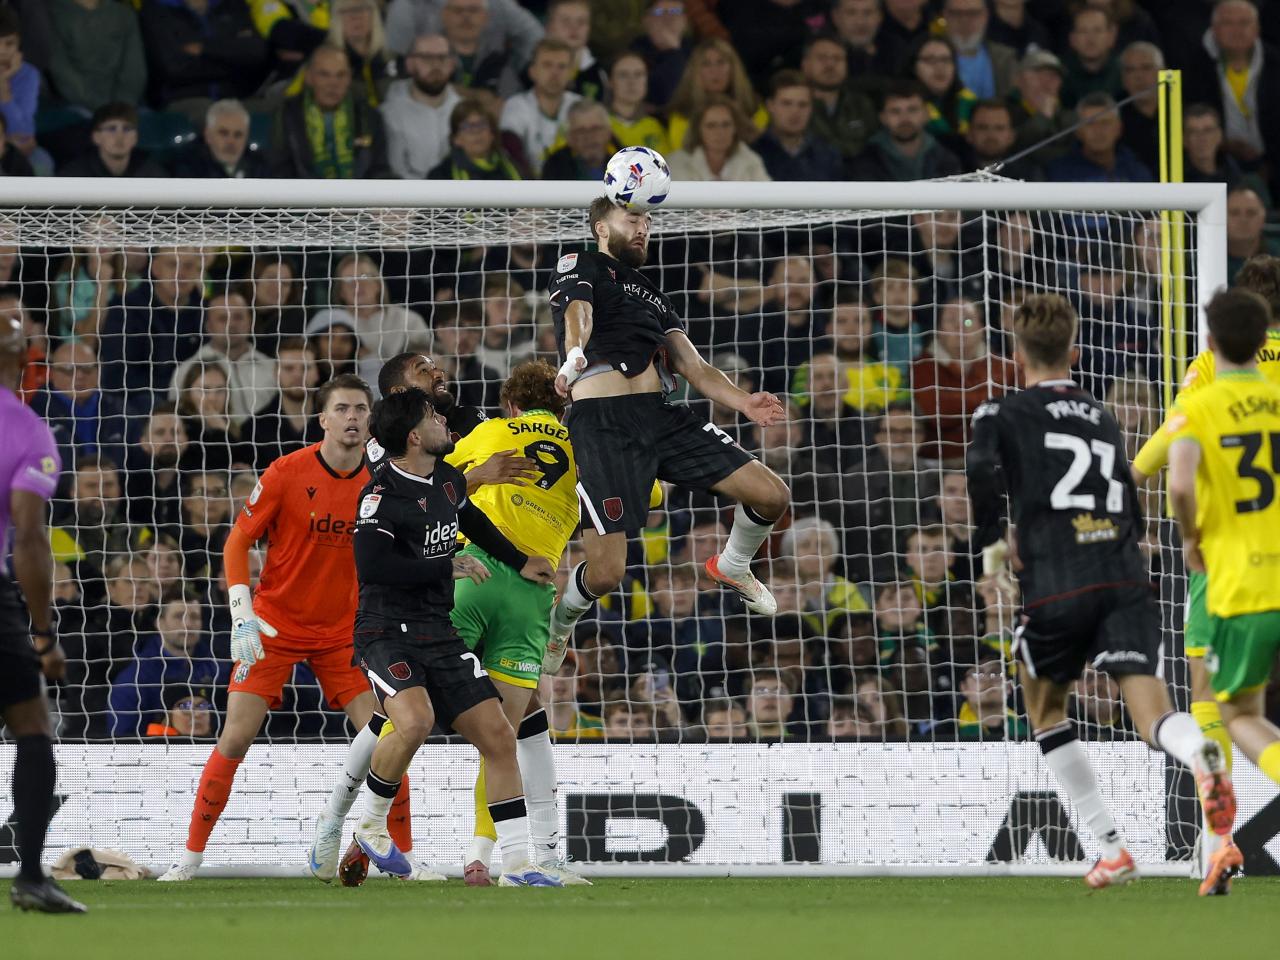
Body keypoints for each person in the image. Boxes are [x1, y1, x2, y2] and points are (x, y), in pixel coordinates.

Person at [965, 292, 1235, 890]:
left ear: (1016, 353)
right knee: (1154, 715)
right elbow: (1130, 494)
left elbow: (982, 473)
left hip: (1057, 579)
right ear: (1075, 350)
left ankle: (1112, 846)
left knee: (1044, 709)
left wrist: (990, 547)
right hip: (1122, 571)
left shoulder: (999, 411)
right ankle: (1202, 757)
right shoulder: (1104, 414)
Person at [156, 375, 434, 881]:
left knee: (393, 735)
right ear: (322, 419)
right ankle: (189, 858)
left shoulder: (386, 479)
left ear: (372, 420)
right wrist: (242, 615)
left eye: (360, 409)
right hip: (275, 626)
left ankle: (403, 860)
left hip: (347, 634)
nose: (352, 417)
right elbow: (237, 544)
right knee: (236, 736)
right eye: (342, 408)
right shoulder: (287, 472)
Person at [546, 196, 790, 667]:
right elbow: (580, 312)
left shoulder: (654, 294)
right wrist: (574, 354)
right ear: (601, 226)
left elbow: (692, 365)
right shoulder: (580, 263)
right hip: (603, 425)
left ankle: (733, 566)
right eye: (633, 218)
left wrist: (743, 401)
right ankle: (561, 622)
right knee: (607, 573)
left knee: (772, 495)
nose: (643, 228)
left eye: (648, 222)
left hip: (661, 415)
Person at [345, 388, 559, 886]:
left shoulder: (445, 479)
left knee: (499, 737)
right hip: (386, 631)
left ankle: (518, 865)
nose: (445, 420)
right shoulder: (380, 495)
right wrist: (447, 566)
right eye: (433, 416)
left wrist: (518, 558)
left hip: (438, 630)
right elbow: (373, 567)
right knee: (414, 722)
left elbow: (471, 518)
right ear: (416, 436)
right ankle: (372, 826)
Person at [1130, 253, 1280, 890]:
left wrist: (1179, 535)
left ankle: (1215, 838)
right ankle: (1223, 846)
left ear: (1214, 335)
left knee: (1222, 704)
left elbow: (1156, 466)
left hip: (1230, 570)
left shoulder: (1203, 380)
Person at [432, 361, 589, 884]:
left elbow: (434, 478)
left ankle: (365, 820)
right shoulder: (581, 442)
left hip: (469, 572)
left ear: (512, 406)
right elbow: (648, 496)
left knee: (408, 700)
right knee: (502, 734)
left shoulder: (495, 431)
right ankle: (489, 855)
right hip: (534, 589)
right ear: (561, 404)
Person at [0, 312, 85, 913]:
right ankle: (30, 875)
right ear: (28, 357)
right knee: (32, 725)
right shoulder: (28, 432)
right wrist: (44, 633)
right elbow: (29, 538)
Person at [271, 44, 392, 179]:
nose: (333, 83)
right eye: (324, 74)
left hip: (359, 197)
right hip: (303, 197)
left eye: (341, 75)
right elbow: (279, 169)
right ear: (309, 77)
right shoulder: (288, 115)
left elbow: (380, 169)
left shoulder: (369, 116)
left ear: (349, 78)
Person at [138, 0, 268, 116]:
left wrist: (204, 49)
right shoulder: (155, 8)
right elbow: (174, 68)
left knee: (276, 113)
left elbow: (256, 52)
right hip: (184, 99)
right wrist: (233, 57)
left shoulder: (233, 4)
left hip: (238, 97)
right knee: (220, 120)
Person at [381, 33, 461, 180]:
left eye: (442, 58)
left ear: (452, 64)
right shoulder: (389, 114)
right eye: (426, 58)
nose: (436, 65)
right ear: (410, 64)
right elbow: (395, 174)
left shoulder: (464, 111)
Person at [848, 80, 963, 181]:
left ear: (926, 114)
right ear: (883, 118)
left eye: (912, 110)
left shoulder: (946, 160)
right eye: (895, 111)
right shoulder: (866, 161)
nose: (905, 118)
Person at [499, 38, 580, 178]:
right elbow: (510, 150)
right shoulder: (516, 106)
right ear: (532, 71)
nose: (555, 73)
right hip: (529, 190)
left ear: (570, 73)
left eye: (562, 67)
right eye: (547, 65)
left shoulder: (580, 106)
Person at [46, 0, 146, 113]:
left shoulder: (123, 14)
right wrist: (101, 107)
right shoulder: (52, 15)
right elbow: (61, 71)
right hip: (77, 104)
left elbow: (134, 68)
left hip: (126, 105)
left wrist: (122, 105)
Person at [753, 69, 844, 182]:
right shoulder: (752, 153)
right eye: (786, 103)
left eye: (803, 105)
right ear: (770, 106)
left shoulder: (828, 155)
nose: (795, 111)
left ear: (811, 108)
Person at [1045, 91, 1151, 183]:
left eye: (1105, 123)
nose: (1098, 131)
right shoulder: (1059, 173)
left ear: (1119, 129)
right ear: (1078, 131)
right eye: (1090, 123)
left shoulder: (1136, 170)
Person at [801, 34, 877, 162]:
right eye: (822, 58)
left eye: (838, 59)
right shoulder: (790, 104)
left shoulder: (862, 104)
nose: (830, 65)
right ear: (805, 64)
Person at [664, 94, 769, 182]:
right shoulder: (676, 163)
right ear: (698, 129)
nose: (720, 132)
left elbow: (768, 201)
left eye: (726, 125)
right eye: (711, 126)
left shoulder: (751, 161)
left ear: (735, 128)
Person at [57, 102, 167, 178]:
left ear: (135, 137)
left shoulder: (151, 174)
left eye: (127, 129)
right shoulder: (74, 176)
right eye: (111, 129)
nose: (120, 136)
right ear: (96, 137)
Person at [170, 99, 271, 179]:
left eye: (238, 134)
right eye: (224, 133)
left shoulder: (261, 167)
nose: (231, 141)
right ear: (208, 135)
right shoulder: (187, 167)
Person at [427, 97, 522, 181]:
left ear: (492, 134)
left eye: (481, 124)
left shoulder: (512, 167)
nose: (476, 132)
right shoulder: (440, 177)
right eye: (467, 126)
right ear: (456, 139)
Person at [939, 0, 1017, 100]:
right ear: (945, 15)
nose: (964, 20)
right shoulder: (927, 55)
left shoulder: (1005, 58)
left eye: (973, 13)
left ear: (986, 15)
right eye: (956, 13)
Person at [606, 52, 669, 154]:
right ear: (610, 81)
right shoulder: (597, 124)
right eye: (623, 75)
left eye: (638, 74)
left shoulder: (657, 126)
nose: (632, 82)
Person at [1060, 6, 1122, 108]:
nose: (1090, 39)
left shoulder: (1125, 73)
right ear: (1072, 39)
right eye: (1083, 31)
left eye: (1097, 31)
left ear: (1111, 36)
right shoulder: (1060, 74)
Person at [544, 0, 606, 101]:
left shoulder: (599, 73)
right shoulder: (531, 65)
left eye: (581, 22)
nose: (574, 28)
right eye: (565, 21)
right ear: (550, 27)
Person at [541, 99, 617, 181]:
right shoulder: (554, 167)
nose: (589, 137)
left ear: (608, 132)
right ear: (569, 137)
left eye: (595, 129)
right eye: (581, 131)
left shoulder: (627, 161)